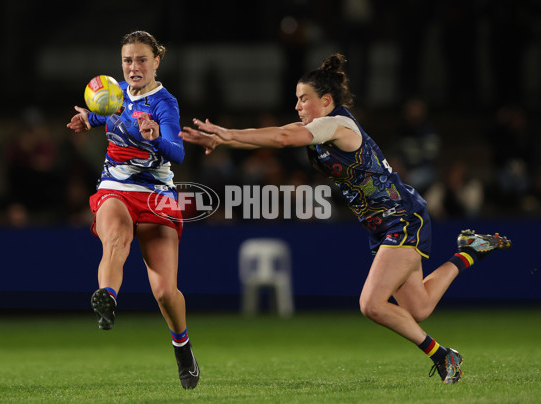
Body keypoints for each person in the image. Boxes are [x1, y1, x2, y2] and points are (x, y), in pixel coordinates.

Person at [180, 53, 511, 384]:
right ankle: (470, 250)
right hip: (383, 224)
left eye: (303, 99)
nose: (297, 106)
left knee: (371, 304)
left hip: (401, 218)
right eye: (296, 99)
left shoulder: (338, 124)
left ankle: (443, 355)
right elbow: (278, 133)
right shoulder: (317, 128)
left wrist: (225, 133)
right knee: (419, 308)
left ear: (325, 101)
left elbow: (281, 138)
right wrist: (225, 138)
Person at [66, 30, 199, 389]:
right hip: (116, 187)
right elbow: (108, 114)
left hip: (156, 194)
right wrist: (87, 121)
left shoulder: (164, 103)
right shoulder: (115, 91)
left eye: (142, 59)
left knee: (164, 292)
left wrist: (156, 137)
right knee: (116, 240)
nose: (134, 66)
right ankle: (107, 299)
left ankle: (182, 346)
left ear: (157, 61)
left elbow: (178, 152)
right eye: (128, 60)